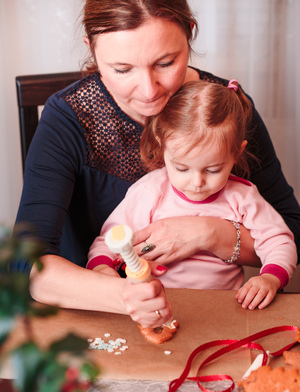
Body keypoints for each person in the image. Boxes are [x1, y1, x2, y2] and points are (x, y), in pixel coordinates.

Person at [14, 1, 300, 326]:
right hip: (95, 314)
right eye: (122, 69)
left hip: (212, 312)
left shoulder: (222, 112)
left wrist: (210, 233)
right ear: (91, 49)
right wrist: (123, 294)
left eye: (165, 63)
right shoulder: (68, 118)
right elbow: (24, 263)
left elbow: (293, 233)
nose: (149, 91)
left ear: (190, 34)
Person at [87, 80, 297, 310]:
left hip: (223, 308)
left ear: (237, 153)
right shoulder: (149, 191)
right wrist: (101, 270)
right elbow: (111, 241)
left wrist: (270, 278)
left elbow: (279, 241)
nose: (197, 183)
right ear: (162, 146)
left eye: (213, 169)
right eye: (182, 168)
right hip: (157, 306)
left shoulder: (243, 196)